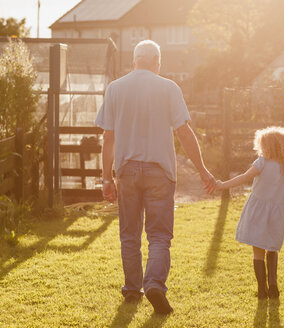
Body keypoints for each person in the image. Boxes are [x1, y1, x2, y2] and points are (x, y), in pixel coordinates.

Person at [95, 40, 216, 315]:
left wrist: (105, 177)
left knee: (129, 234)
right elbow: (184, 132)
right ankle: (155, 285)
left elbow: (108, 137)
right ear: (157, 61)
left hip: (126, 171)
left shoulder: (115, 89)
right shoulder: (169, 88)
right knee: (159, 236)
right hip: (160, 172)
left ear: (134, 61)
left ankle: (132, 290)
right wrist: (203, 170)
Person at [215, 126, 284, 299]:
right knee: (272, 249)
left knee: (258, 252)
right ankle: (274, 286)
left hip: (257, 211)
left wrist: (223, 184)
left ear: (268, 147)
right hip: (276, 214)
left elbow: (245, 178)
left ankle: (261, 290)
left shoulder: (262, 162)